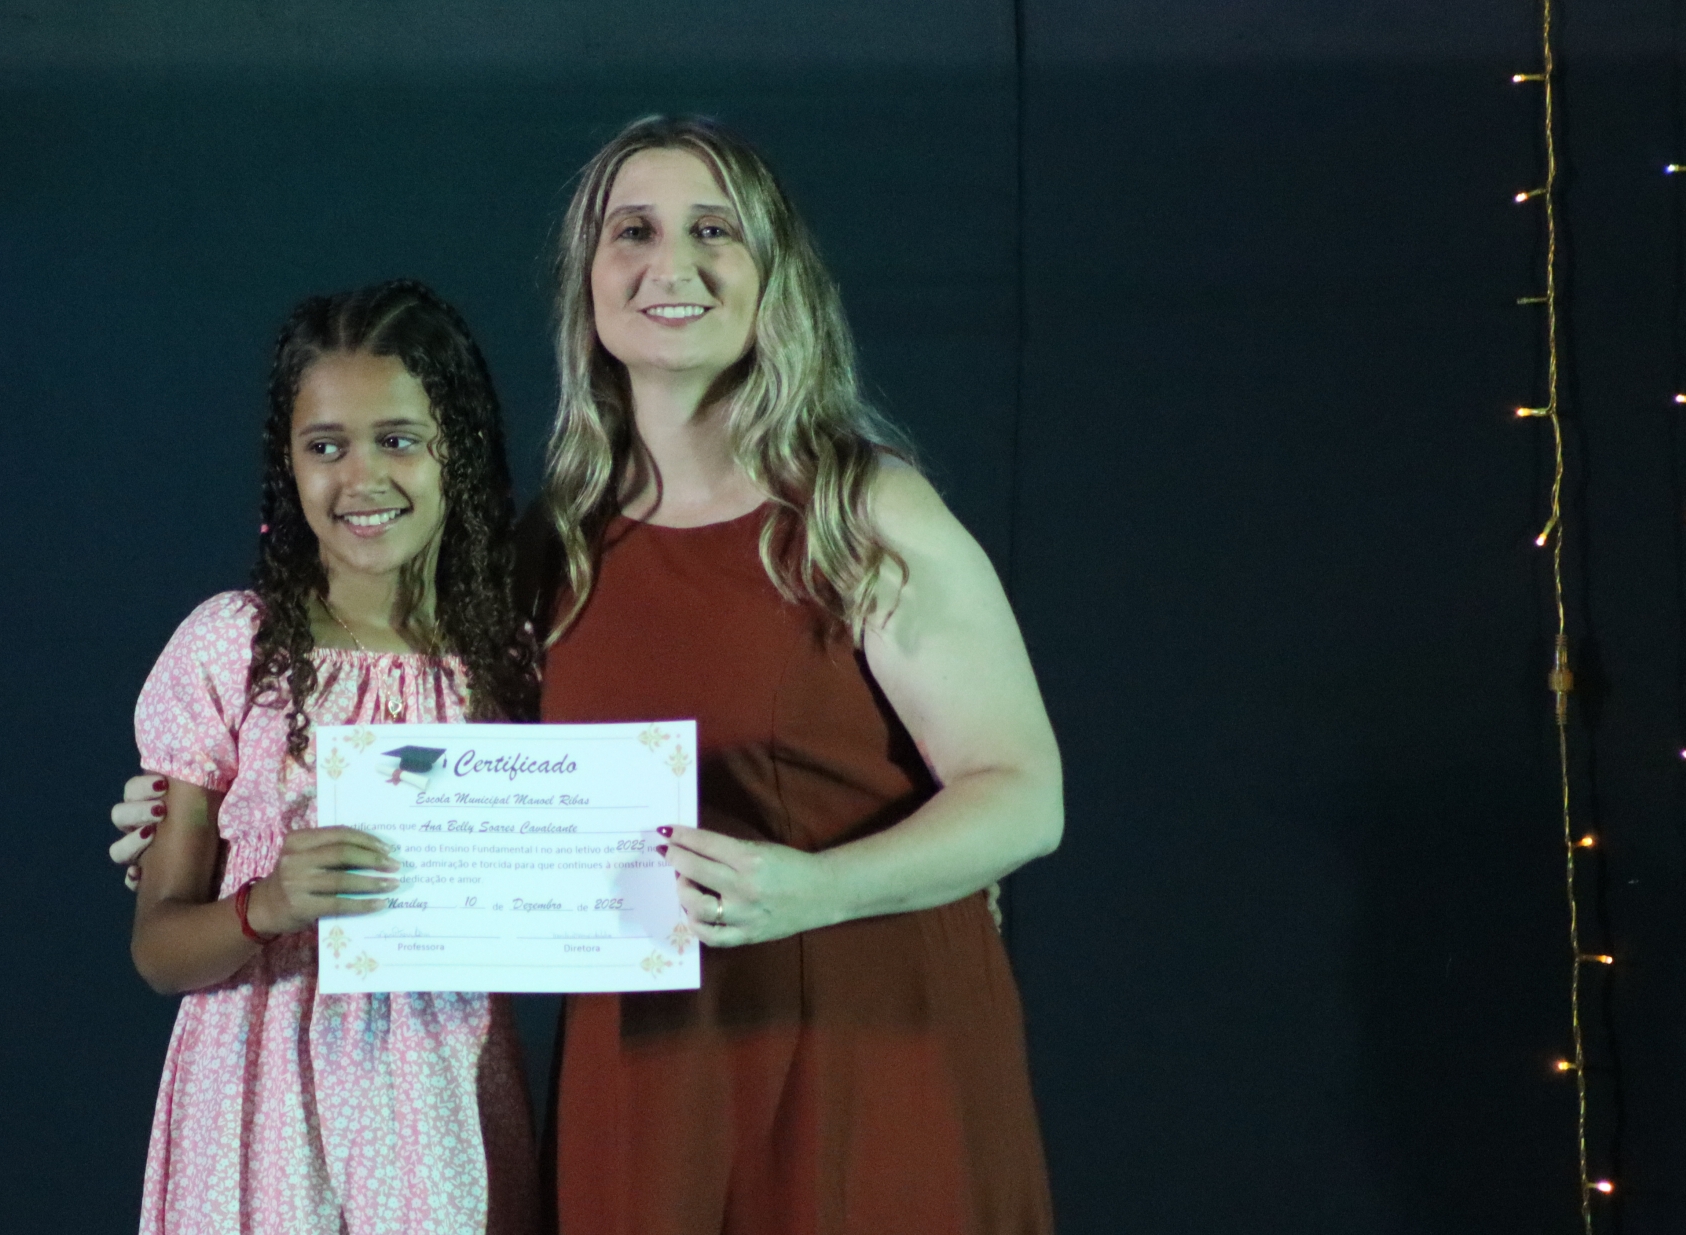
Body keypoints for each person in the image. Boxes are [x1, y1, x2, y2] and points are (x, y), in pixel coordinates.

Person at [114, 118, 1063, 1234]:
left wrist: (822, 887)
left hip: (866, 1037)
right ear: (589, 280)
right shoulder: (555, 555)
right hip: (652, 1069)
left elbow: (1022, 795)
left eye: (714, 230)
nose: (672, 264)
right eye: (634, 231)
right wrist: (212, 819)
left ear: (775, 272)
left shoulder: (860, 509)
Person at [126, 280, 538, 1235]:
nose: (362, 477)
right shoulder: (231, 646)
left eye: (398, 439)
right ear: (289, 461)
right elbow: (158, 950)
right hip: (257, 1102)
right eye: (326, 446)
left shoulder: (516, 659)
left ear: (460, 447)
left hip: (442, 1099)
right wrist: (266, 904)